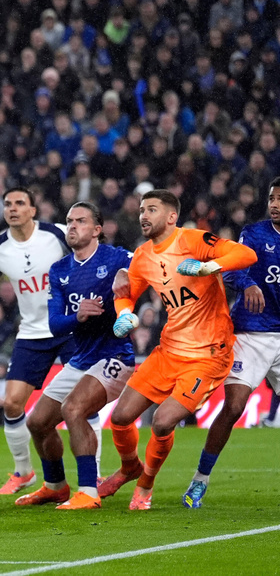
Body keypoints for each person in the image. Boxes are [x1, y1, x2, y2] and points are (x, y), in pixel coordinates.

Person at [105, 189, 257, 510]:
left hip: (207, 356)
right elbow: (126, 292)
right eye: (142, 210)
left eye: (153, 210)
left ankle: (145, 485)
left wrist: (208, 268)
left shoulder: (193, 240)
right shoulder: (144, 255)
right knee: (120, 418)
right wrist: (123, 313)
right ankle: (130, 467)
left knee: (162, 422)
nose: (144, 216)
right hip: (169, 350)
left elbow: (246, 255)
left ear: (171, 217)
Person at [0, 187, 89, 495]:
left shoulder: (57, 235)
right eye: (8, 204)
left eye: (20, 203)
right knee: (11, 404)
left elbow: (91, 254)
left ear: (33, 210)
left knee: (84, 405)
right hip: (32, 333)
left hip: (70, 328)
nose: (12, 208)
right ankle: (24, 472)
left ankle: (94, 476)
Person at [15, 202, 134, 510]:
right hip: (81, 359)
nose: (72, 226)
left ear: (97, 230)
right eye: (69, 221)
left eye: (81, 221)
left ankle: (88, 493)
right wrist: (78, 316)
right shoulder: (60, 270)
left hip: (114, 356)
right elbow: (55, 324)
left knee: (74, 410)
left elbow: (147, 266)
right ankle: (55, 487)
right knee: (37, 422)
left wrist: (126, 276)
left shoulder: (117, 257)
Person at [183, 178, 280, 508]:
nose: (275, 203)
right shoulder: (254, 234)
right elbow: (230, 269)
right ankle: (200, 479)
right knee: (235, 406)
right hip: (252, 334)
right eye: (272, 198)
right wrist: (249, 283)